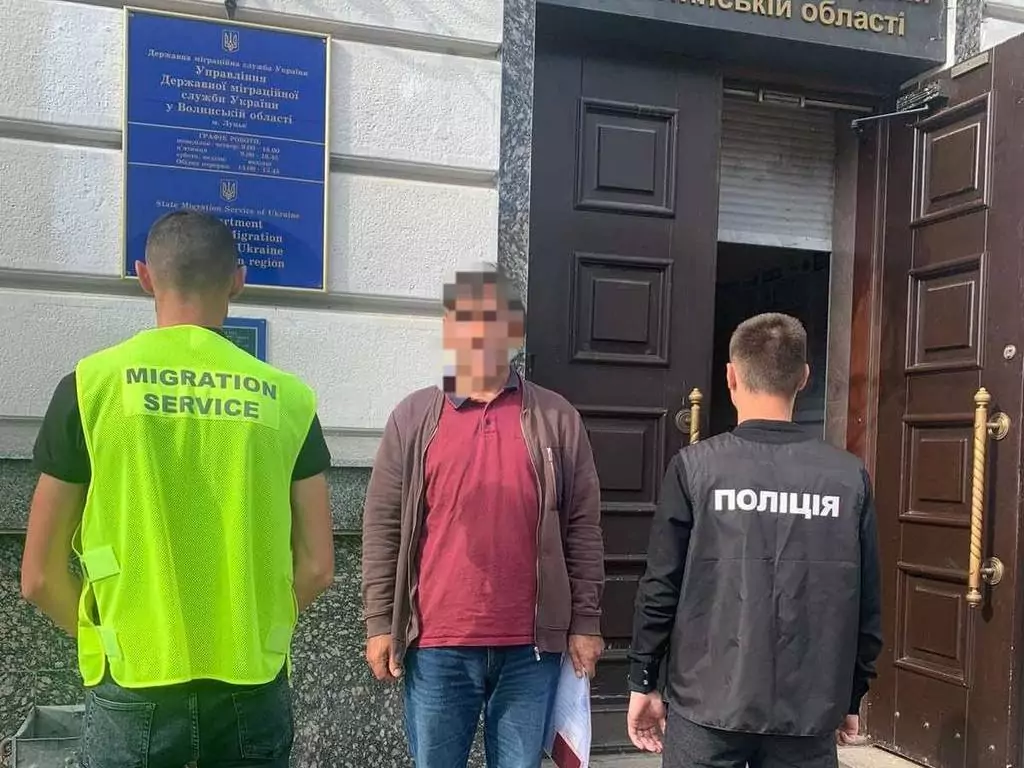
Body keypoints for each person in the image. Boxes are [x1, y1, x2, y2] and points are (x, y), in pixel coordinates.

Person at [21, 209, 335, 768]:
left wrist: (108, 644)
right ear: (237, 280)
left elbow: (39, 577)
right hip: (251, 682)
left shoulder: (91, 387)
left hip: (132, 682)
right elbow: (317, 568)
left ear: (145, 277)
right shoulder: (288, 399)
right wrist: (259, 634)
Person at [361, 265, 605, 768]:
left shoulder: (558, 418)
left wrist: (586, 620)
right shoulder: (413, 417)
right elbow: (383, 526)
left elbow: (582, 527)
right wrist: (380, 622)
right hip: (437, 644)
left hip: (530, 649)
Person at [626, 312, 882, 768]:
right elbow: (866, 600)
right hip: (807, 706)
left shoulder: (695, 467)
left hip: (707, 703)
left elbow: (662, 584)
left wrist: (643, 678)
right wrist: (850, 694)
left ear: (730, 376)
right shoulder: (847, 477)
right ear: (804, 377)